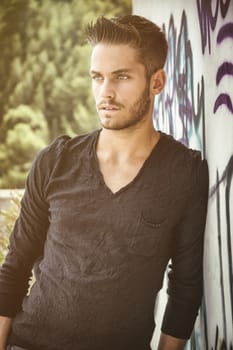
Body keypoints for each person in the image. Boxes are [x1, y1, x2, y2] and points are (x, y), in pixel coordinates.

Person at [0, 14, 209, 350]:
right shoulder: (56, 161)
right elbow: (15, 267)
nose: (105, 92)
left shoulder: (184, 173)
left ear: (157, 82)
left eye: (121, 77)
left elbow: (185, 288)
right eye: (97, 78)